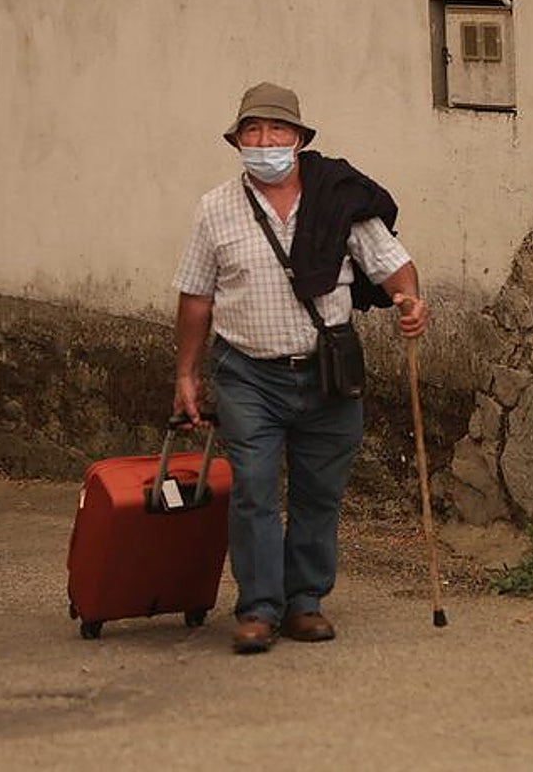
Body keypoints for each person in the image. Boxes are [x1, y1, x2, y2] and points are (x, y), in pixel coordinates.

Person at [173, 82, 428, 654]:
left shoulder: (339, 201)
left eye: (277, 131)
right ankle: (259, 608)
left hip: (327, 371)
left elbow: (394, 266)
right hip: (248, 375)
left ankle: (305, 601)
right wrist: (185, 374)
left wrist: (410, 301)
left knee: (320, 491)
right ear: (238, 141)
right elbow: (196, 297)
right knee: (254, 489)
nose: (266, 141)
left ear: (299, 139)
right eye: (253, 131)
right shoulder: (215, 209)